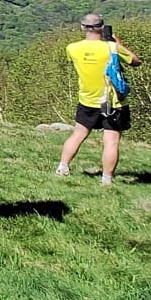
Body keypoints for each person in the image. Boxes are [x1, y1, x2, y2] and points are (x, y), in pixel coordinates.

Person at [57, 12, 141, 186]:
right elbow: (135, 61)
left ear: (82, 27)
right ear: (102, 27)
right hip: (113, 102)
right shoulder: (112, 48)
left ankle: (63, 167)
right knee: (111, 141)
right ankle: (106, 179)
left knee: (78, 134)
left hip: (87, 99)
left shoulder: (72, 48)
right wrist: (117, 44)